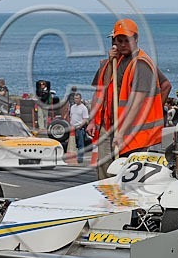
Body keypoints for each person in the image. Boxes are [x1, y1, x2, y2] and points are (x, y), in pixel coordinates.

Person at [86, 18, 164, 179]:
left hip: (132, 130)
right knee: (106, 170)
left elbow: (137, 102)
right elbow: (102, 88)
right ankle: (106, 200)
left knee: (127, 174)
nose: (122, 44)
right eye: (119, 40)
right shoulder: (112, 61)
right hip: (109, 126)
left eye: (127, 40)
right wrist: (110, 61)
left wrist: (121, 132)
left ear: (136, 39)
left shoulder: (142, 64)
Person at [68, 92, 89, 164]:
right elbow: (71, 116)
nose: (76, 100)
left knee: (81, 144)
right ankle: (72, 157)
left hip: (80, 128)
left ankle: (80, 159)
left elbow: (85, 119)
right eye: (75, 99)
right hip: (72, 128)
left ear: (80, 99)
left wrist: (80, 126)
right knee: (73, 143)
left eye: (77, 98)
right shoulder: (72, 107)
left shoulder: (83, 108)